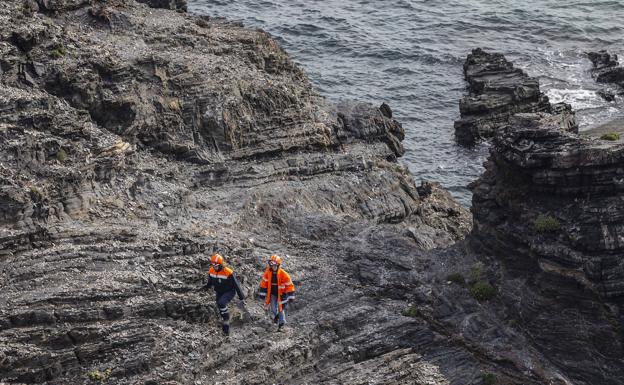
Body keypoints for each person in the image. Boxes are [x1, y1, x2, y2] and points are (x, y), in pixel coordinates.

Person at [201, 253, 245, 336]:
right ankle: (225, 323)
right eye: (213, 264)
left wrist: (241, 297)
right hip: (219, 291)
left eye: (216, 265)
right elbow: (210, 282)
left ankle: (226, 321)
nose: (214, 266)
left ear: (221, 264)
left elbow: (236, 285)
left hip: (229, 291)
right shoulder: (211, 270)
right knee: (219, 305)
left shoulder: (228, 272)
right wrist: (206, 287)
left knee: (221, 303)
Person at [258, 255, 295, 331]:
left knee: (281, 309)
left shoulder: (284, 274)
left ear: (278, 265)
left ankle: (282, 323)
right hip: (272, 294)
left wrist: (290, 296)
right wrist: (262, 293)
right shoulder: (267, 272)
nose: (272, 266)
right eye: (271, 264)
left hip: (282, 294)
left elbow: (289, 285)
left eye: (274, 264)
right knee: (274, 309)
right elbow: (264, 282)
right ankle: (276, 319)